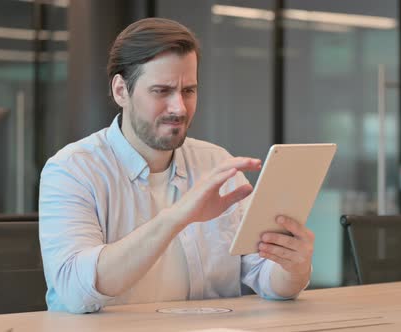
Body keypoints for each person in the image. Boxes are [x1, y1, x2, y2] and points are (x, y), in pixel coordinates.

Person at [39, 17, 315, 314]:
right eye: (161, 91)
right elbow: (74, 291)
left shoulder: (216, 162)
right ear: (121, 91)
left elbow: (265, 277)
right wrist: (178, 217)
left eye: (188, 91)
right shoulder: (71, 170)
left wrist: (293, 269)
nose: (179, 108)